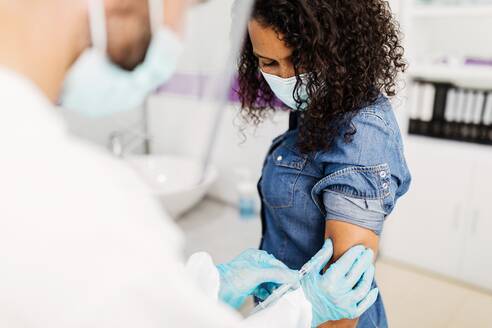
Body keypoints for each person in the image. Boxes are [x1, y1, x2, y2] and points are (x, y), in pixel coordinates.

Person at [0, 0, 378, 327]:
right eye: (182, 5)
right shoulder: (92, 209)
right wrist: (305, 309)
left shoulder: (363, 135)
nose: (177, 33)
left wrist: (209, 284)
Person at [235, 1, 412, 327]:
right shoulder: (318, 103)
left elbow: (343, 311)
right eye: (268, 62)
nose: (288, 78)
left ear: (337, 44)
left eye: (300, 61)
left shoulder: (360, 131)